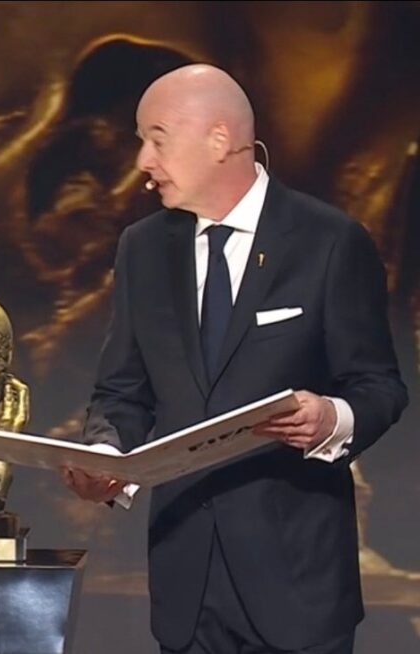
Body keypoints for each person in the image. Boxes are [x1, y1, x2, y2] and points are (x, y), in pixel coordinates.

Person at [60, 64, 408, 654]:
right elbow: (122, 391)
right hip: (186, 586)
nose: (142, 160)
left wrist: (331, 418)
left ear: (219, 140)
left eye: (156, 139)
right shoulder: (142, 250)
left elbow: (379, 385)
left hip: (298, 589)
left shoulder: (328, 241)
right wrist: (104, 455)